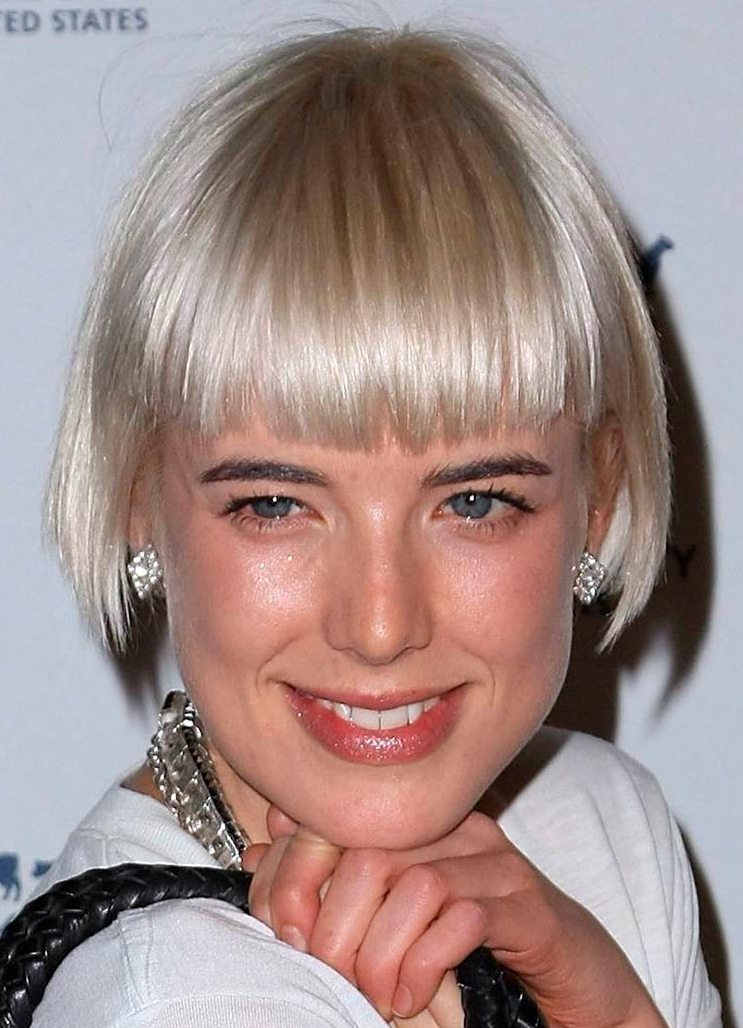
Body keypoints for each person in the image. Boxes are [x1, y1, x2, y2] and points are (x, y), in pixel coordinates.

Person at [38, 25, 721, 1028]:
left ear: (599, 497)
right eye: (274, 503)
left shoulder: (602, 820)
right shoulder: (171, 993)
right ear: (140, 493)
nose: (379, 623)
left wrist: (610, 1006)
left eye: (474, 501)